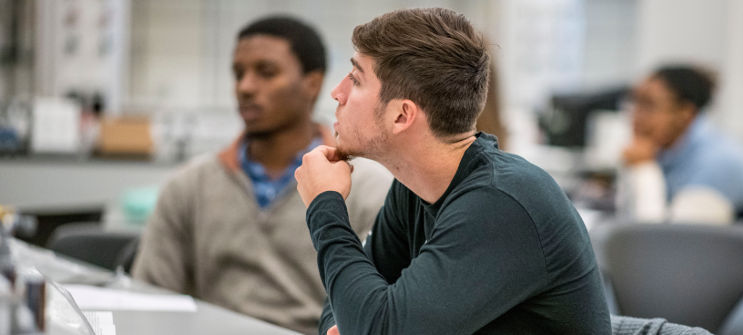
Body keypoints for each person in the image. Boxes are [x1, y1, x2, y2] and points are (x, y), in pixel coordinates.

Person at [294, 8, 611, 335]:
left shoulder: (502, 203)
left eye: (356, 80)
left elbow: (378, 327)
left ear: (402, 116)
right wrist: (343, 323)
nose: (337, 93)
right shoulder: (414, 188)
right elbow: (342, 305)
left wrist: (325, 206)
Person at [132, 16, 392, 333]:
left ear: (313, 83)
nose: (245, 87)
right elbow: (149, 299)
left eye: (266, 72)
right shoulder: (190, 186)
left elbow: (375, 310)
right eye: (239, 74)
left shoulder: (367, 187)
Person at [618, 65, 743, 284]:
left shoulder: (719, 161)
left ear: (685, 113)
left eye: (648, 105)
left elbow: (664, 253)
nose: (635, 116)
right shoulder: (666, 152)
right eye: (633, 102)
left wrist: (643, 170)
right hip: (710, 280)